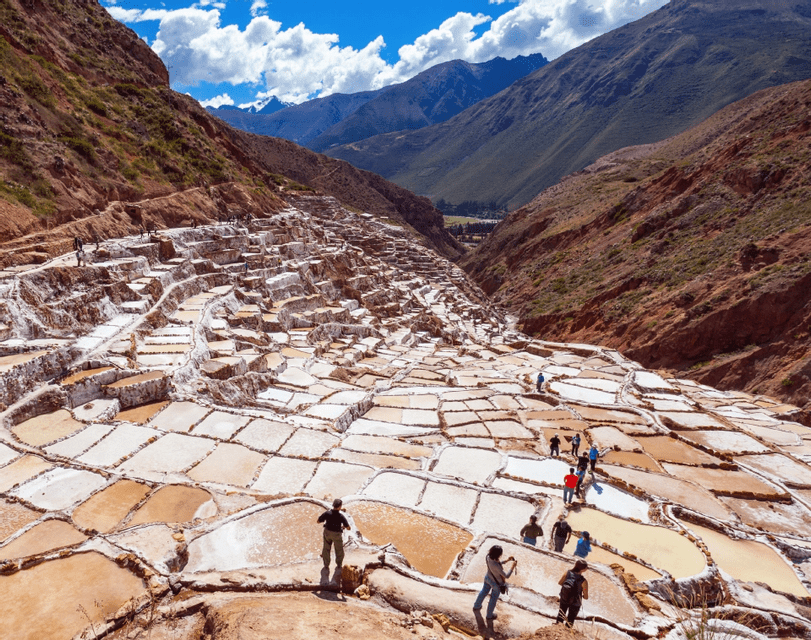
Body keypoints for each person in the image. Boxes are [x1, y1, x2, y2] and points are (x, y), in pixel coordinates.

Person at [473, 545, 517, 620]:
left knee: (483, 592)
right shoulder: (496, 565)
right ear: (498, 555)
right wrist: (512, 566)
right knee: (493, 599)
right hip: (496, 584)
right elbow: (506, 576)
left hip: (487, 578)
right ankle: (489, 615)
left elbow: (497, 563)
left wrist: (507, 560)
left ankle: (476, 606)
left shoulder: (488, 557)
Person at [317, 498, 350, 569]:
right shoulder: (341, 516)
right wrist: (343, 527)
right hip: (337, 534)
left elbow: (318, 521)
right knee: (339, 550)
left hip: (327, 532)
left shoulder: (327, 513)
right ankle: (339, 564)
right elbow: (348, 528)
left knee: (326, 549)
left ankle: (326, 565)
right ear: (340, 507)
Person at [556, 559, 589, 627]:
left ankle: (556, 628)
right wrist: (584, 596)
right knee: (570, 619)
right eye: (586, 568)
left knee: (560, 615)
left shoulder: (567, 573)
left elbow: (560, 583)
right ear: (583, 570)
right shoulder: (584, 581)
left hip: (564, 597)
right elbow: (586, 596)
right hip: (575, 603)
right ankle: (566, 632)